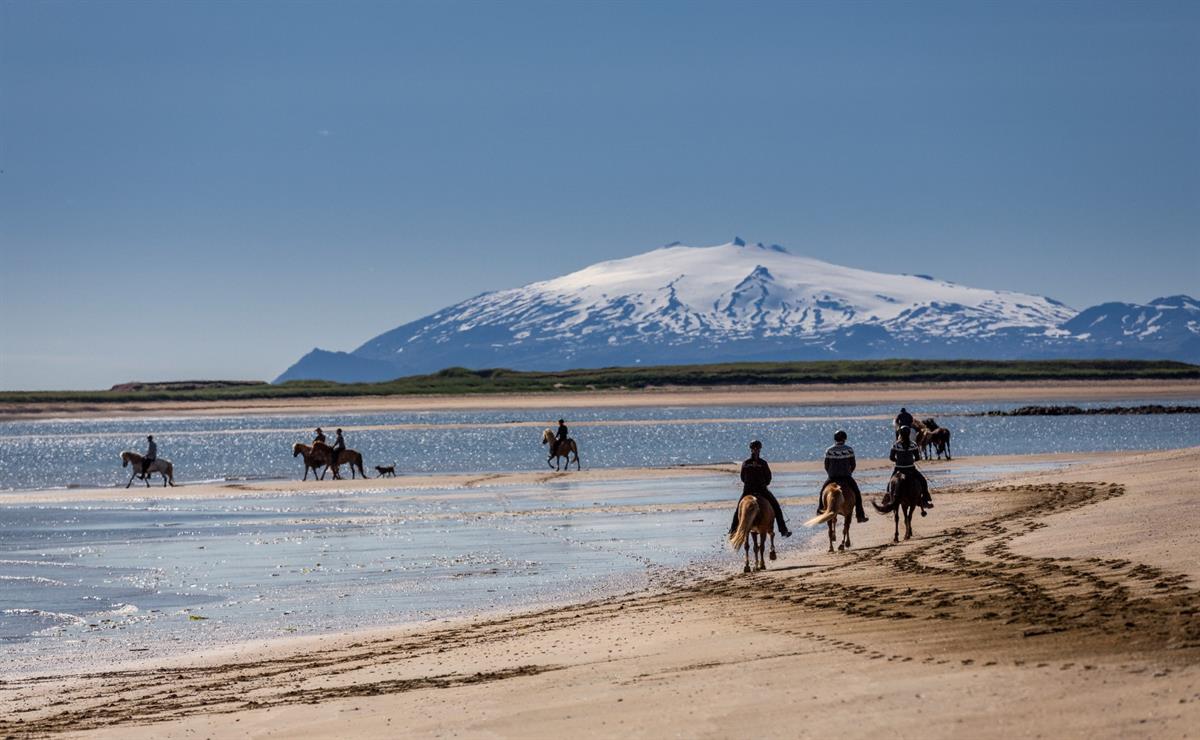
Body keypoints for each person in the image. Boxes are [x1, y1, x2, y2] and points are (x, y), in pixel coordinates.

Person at [729, 440, 792, 538]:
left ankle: (733, 531)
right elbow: (768, 478)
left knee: (738, 509)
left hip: (748, 490)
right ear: (759, 450)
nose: (756, 450)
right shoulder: (763, 463)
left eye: (756, 448)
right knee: (776, 507)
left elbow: (742, 478)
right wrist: (763, 484)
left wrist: (749, 484)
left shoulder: (746, 463)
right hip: (762, 490)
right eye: (756, 449)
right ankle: (783, 530)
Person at [819, 430, 868, 523]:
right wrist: (849, 473)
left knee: (822, 492)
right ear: (844, 439)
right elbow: (853, 464)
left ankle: (820, 510)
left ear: (835, 439)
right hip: (846, 477)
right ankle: (860, 515)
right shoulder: (849, 449)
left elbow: (826, 465)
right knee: (857, 494)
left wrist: (830, 474)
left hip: (832, 477)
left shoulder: (829, 450)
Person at [889, 426, 933, 508]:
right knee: (923, 481)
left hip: (899, 469)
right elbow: (917, 458)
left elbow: (891, 457)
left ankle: (889, 498)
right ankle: (925, 499)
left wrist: (897, 460)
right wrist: (912, 460)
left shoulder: (895, 445)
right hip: (911, 469)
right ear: (909, 434)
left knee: (890, 484)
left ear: (900, 433)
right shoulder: (913, 444)